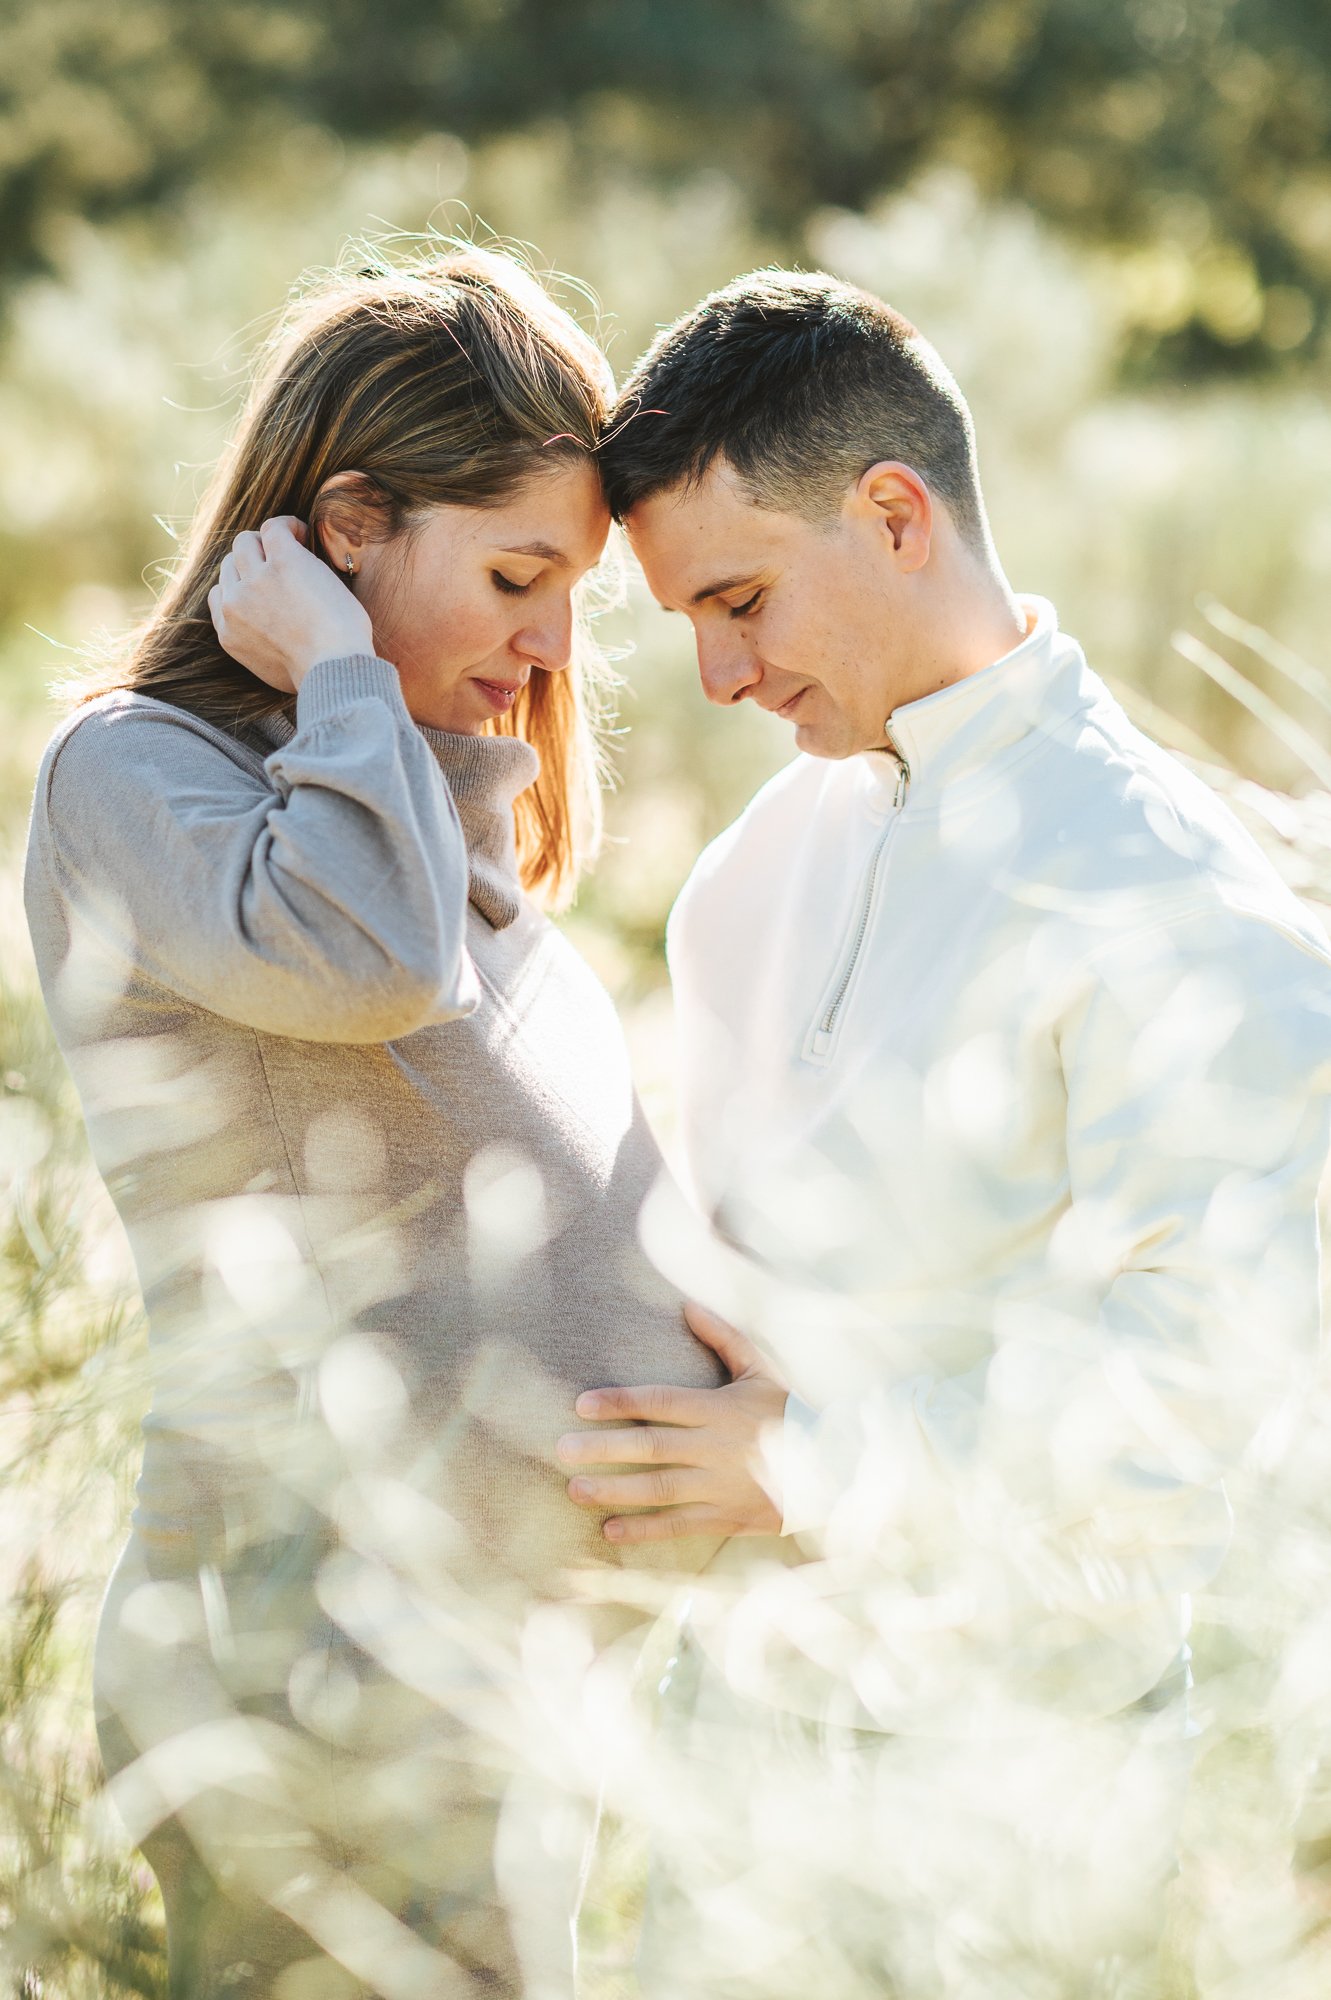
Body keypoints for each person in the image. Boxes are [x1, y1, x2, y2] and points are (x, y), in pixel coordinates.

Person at [569, 270, 1331, 1996]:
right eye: (691, 617)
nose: (717, 672)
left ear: (896, 513)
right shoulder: (745, 879)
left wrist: (813, 1464)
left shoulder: (1178, 909)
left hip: (1029, 1821)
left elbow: (1190, 1432)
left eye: (743, 599)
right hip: (736, 1776)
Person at [23, 246, 736, 2000]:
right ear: (347, 524)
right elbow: (366, 965)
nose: (553, 645)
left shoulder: (434, 830)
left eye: (575, 594)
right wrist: (342, 677)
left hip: (488, 1691)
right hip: (308, 1686)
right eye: (515, 575)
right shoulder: (136, 777)